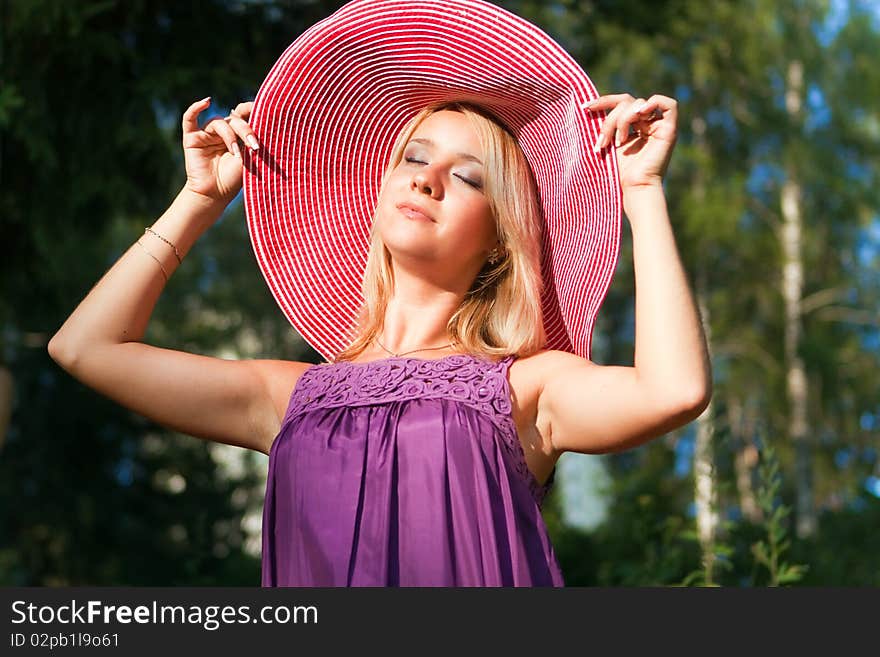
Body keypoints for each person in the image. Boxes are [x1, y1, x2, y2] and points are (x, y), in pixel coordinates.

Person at [48, 0, 712, 586]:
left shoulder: (528, 389)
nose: (427, 180)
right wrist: (197, 200)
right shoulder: (288, 398)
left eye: (469, 178)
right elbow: (85, 346)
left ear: (501, 242)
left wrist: (644, 192)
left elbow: (673, 391)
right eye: (415, 158)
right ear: (381, 195)